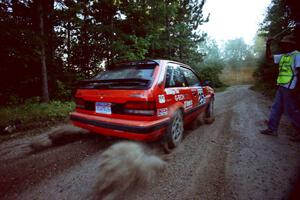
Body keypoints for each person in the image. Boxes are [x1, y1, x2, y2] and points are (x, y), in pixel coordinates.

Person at [260, 34, 300, 141]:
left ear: (291, 45)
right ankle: (272, 129)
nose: (284, 46)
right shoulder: (283, 56)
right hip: (281, 86)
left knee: (291, 110)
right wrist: (267, 45)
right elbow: (269, 58)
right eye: (283, 44)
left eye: (286, 44)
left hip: (291, 87)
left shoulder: (297, 55)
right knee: (276, 108)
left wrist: (296, 88)